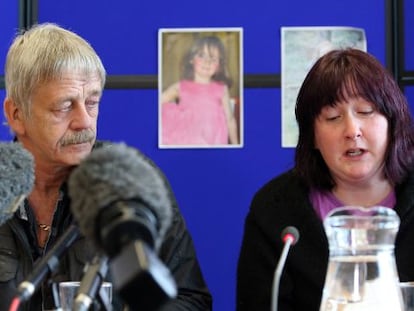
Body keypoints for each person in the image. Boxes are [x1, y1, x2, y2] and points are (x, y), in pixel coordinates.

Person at [0, 22, 212, 311]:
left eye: (92, 102)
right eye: (64, 106)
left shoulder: (128, 183)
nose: (84, 121)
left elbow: (189, 300)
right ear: (16, 114)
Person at [236, 48, 414, 310]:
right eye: (333, 117)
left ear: (392, 122)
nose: (352, 131)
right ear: (313, 138)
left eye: (365, 111)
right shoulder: (275, 210)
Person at [161, 35, 239, 146]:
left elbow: (230, 120)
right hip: (189, 141)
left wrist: (236, 145)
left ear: (219, 65)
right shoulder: (180, 87)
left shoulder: (221, 88)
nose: (207, 62)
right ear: (191, 59)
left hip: (214, 141)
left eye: (213, 59)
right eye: (201, 55)